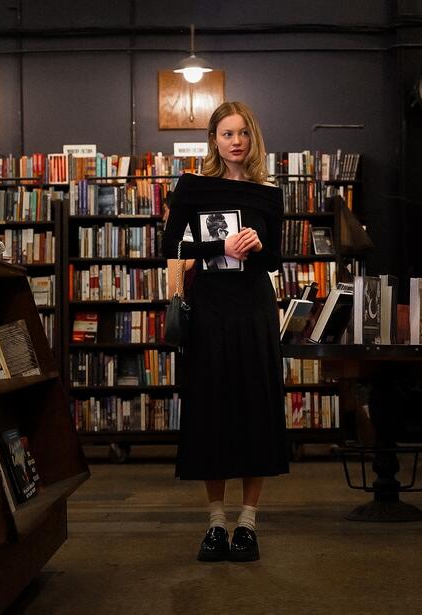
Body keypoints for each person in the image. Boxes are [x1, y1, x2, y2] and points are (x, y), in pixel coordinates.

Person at [163, 101, 289, 563]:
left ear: (252, 138)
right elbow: (171, 246)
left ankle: (248, 523)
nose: (235, 141)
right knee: (211, 409)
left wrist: (254, 248)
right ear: (213, 140)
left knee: (255, 405)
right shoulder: (194, 188)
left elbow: (275, 260)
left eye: (243, 134)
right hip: (211, 308)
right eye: (226, 134)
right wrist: (222, 244)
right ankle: (215, 522)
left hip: (253, 307)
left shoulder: (268, 193)